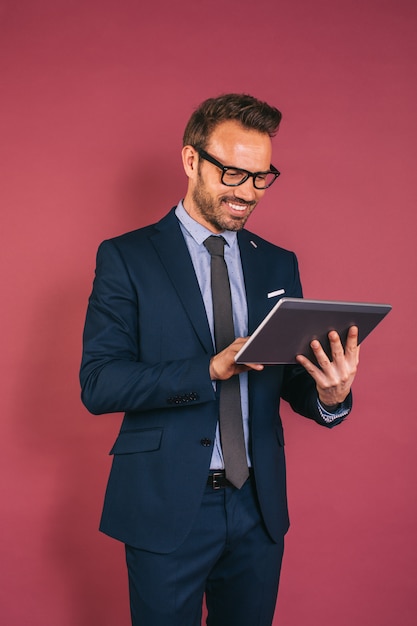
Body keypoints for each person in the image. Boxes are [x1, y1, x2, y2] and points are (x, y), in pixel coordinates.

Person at [80, 93, 360, 626]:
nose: (247, 192)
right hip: (165, 508)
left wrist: (330, 395)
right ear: (191, 160)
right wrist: (207, 369)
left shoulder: (278, 262)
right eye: (233, 173)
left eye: (260, 177)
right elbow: (99, 382)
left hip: (258, 508)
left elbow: (288, 379)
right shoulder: (126, 257)